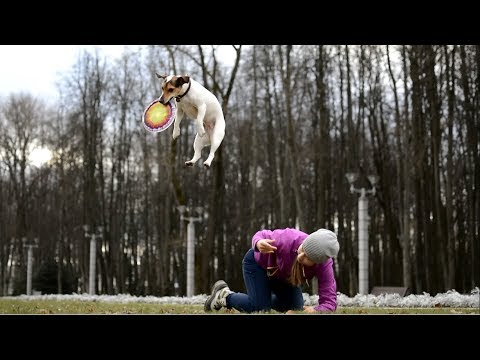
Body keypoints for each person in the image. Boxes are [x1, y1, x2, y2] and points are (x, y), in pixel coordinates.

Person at [204, 227, 340, 313]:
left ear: (317, 262)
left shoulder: (324, 266)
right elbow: (260, 234)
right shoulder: (289, 238)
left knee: (295, 308)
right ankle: (224, 296)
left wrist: (316, 310)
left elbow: (329, 302)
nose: (300, 255)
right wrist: (258, 243)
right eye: (303, 248)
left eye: (307, 257)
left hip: (281, 276)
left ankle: (260, 299)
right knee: (260, 308)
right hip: (257, 264)